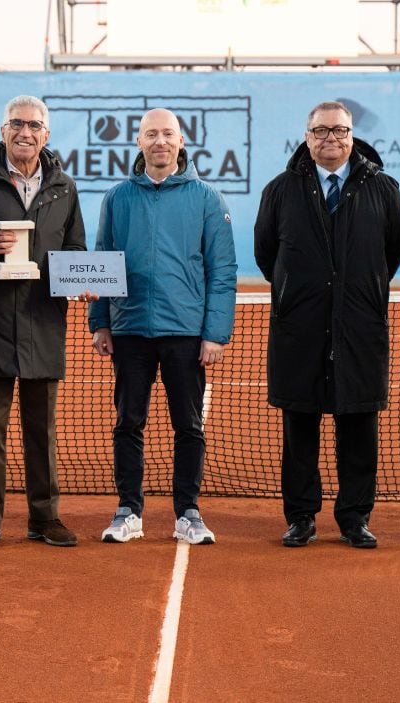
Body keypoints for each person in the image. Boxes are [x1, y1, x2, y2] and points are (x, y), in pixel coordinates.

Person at [254, 100, 400, 549]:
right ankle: (301, 516)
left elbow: (391, 252)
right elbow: (268, 256)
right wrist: (301, 293)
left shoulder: (383, 188)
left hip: (360, 327)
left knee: (358, 424)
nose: (331, 140)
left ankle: (354, 517)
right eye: (321, 131)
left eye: (339, 131)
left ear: (352, 135)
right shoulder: (280, 190)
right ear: (307, 137)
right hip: (298, 328)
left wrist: (357, 292)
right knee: (299, 424)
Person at [89, 108, 236, 546]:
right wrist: (100, 322)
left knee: (188, 426)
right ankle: (128, 511)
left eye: (167, 134)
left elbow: (222, 270)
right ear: (139, 142)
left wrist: (215, 332)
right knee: (127, 423)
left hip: (186, 332)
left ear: (181, 140)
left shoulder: (208, 198)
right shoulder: (117, 198)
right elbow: (101, 260)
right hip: (130, 327)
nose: (160, 141)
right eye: (151, 134)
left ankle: (188, 512)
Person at [0, 95, 86, 549]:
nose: (25, 132)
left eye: (34, 125)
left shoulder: (64, 188)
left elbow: (75, 248)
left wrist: (78, 275)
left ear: (46, 133)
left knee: (41, 428)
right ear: (3, 129)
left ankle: (44, 517)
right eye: (16, 124)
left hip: (43, 320)